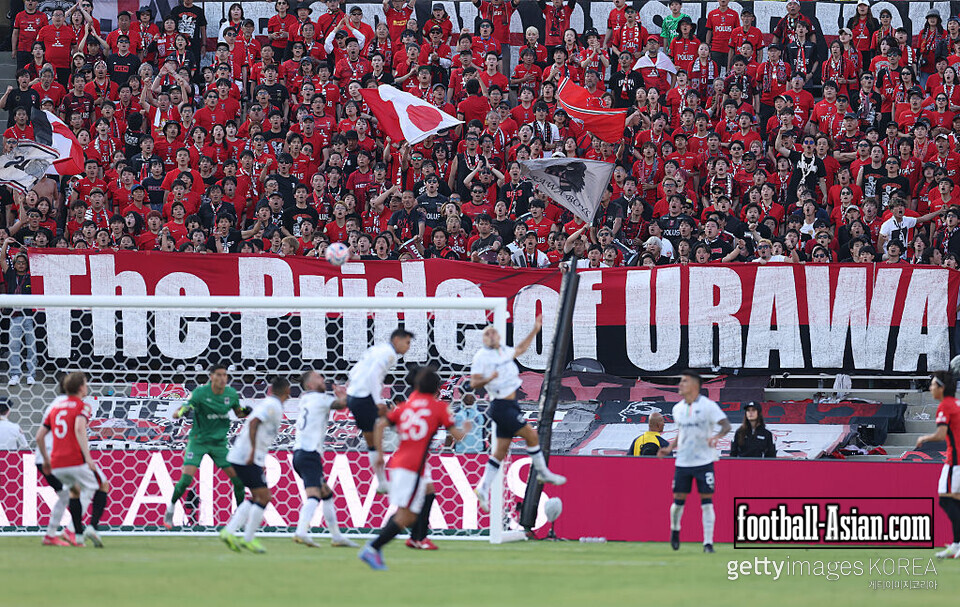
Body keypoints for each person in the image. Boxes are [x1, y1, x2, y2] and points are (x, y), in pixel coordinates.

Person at [358, 367, 471, 570]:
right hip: (412, 466)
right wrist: (467, 429)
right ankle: (373, 547)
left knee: (429, 491)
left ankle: (417, 538)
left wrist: (379, 454)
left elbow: (381, 425)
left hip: (402, 460)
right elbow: (458, 436)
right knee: (406, 516)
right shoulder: (438, 408)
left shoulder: (405, 405)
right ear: (437, 389)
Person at [470, 315, 566, 514]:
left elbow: (521, 349)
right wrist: (490, 377)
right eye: (487, 333)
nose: (491, 335)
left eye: (493, 331)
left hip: (511, 403)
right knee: (531, 435)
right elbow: (474, 383)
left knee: (500, 452)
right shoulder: (481, 356)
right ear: (483, 339)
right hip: (501, 405)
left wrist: (535, 329)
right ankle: (542, 472)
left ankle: (482, 487)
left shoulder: (503, 351)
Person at [163, 364, 250, 530]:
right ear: (211, 377)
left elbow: (238, 412)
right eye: (219, 375)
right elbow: (184, 408)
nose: (223, 378)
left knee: (238, 480)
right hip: (198, 442)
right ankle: (171, 508)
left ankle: (240, 518)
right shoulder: (200, 393)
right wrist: (180, 412)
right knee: (186, 479)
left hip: (219, 444)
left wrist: (246, 411)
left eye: (225, 375)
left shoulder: (231, 394)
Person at [658, 370, 731, 553]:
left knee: (706, 502)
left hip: (704, 462)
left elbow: (726, 425)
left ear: (695, 386)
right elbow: (682, 432)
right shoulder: (677, 408)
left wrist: (717, 437)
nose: (680, 384)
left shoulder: (708, 406)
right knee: (678, 502)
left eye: (684, 381)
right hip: (683, 462)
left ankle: (708, 543)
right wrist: (669, 448)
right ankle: (675, 530)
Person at [35, 372, 107, 548]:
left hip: (45, 456)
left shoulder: (56, 404)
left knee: (68, 494)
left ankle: (53, 533)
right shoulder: (69, 405)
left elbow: (40, 434)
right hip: (56, 456)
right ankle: (72, 530)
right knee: (88, 488)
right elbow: (77, 429)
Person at [219, 376, 289, 554]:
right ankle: (245, 537)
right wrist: (252, 453)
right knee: (264, 497)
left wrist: (259, 459)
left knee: (259, 496)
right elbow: (253, 423)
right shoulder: (272, 405)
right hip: (245, 456)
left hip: (247, 457)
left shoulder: (272, 404)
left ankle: (231, 532)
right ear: (287, 391)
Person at [291, 370, 357, 548]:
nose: (323, 380)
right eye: (319, 378)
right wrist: (346, 394)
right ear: (311, 385)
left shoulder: (305, 399)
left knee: (326, 494)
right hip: (309, 454)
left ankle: (336, 536)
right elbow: (343, 405)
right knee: (314, 496)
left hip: (299, 454)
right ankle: (301, 531)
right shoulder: (320, 399)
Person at [345, 327, 414, 492]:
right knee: (381, 437)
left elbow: (354, 371)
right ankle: (390, 478)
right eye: (407, 342)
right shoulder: (389, 354)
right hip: (364, 398)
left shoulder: (377, 349)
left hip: (354, 396)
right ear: (397, 340)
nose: (408, 347)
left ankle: (383, 481)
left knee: (373, 442)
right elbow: (374, 376)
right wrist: (377, 401)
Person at [915, 370, 960, 559]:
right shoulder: (957, 404)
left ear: (941, 387)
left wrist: (924, 437)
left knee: (945, 500)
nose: (931, 388)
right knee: (955, 500)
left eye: (933, 384)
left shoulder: (945, 406)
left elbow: (941, 435)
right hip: (956, 460)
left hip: (955, 461)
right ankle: (956, 545)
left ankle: (957, 544)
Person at [2, 238, 36, 386]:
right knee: (14, 346)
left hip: (29, 316)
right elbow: (2, 258)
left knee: (31, 346)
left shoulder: (32, 276)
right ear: (14, 264)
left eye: (23, 263)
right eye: (18, 262)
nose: (21, 265)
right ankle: (15, 374)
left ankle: (31, 374)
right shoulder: (10, 274)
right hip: (14, 317)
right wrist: (5, 244)